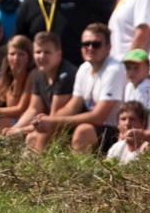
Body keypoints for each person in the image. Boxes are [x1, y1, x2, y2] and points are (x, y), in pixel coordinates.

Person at [24, 23, 125, 153]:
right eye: (86, 44)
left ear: (108, 47)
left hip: (118, 131)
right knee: (34, 137)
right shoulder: (84, 68)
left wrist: (53, 122)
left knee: (83, 131)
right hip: (95, 128)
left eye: (96, 44)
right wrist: (47, 121)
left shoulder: (114, 70)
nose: (90, 48)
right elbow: (72, 107)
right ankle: (35, 171)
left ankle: (76, 173)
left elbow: (98, 116)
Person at [4, 31, 78, 141]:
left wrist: (20, 131)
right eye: (38, 52)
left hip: (71, 130)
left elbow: (54, 120)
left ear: (59, 54)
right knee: (9, 133)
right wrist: (13, 129)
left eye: (47, 52)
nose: (42, 56)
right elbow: (33, 109)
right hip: (53, 125)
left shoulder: (66, 75)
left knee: (32, 138)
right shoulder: (40, 73)